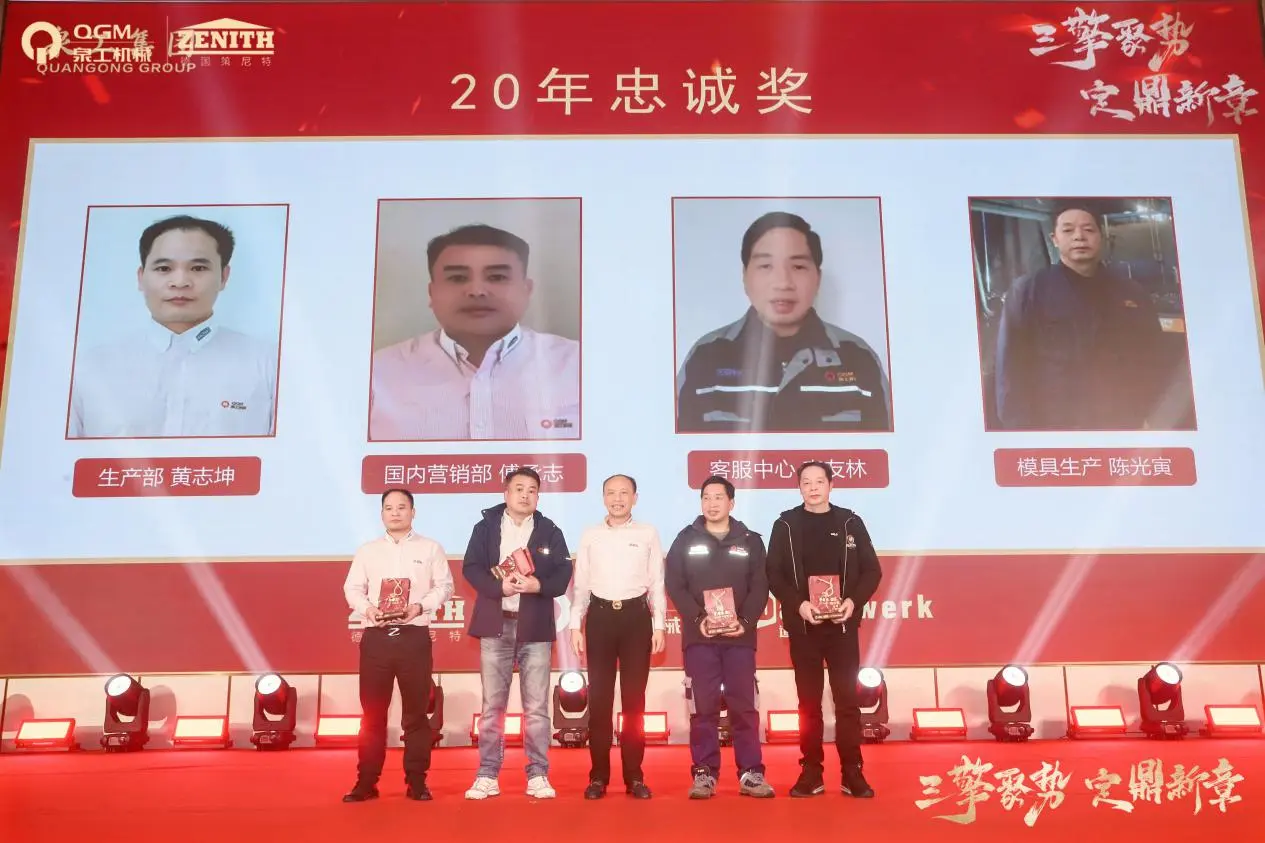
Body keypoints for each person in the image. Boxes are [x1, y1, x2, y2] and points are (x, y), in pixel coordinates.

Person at [676, 211, 890, 434]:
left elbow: (887, 449)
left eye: (798, 267)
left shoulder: (859, 358)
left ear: (818, 278)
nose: (783, 283)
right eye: (766, 266)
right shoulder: (706, 357)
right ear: (745, 277)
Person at [68, 214, 278, 438]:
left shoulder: (269, 365)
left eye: (198, 268)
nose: (180, 282)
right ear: (141, 277)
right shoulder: (89, 369)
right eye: (163, 268)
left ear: (224, 277)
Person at [369, 223, 580, 441]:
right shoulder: (376, 373)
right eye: (457, 278)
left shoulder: (581, 365)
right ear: (432, 293)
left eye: (497, 277)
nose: (477, 291)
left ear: (526, 290)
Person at [994, 202, 1171, 431]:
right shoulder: (1027, 292)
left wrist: (1156, 415)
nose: (1079, 237)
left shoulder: (1132, 293)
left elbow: (1155, 358)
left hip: (1122, 421)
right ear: (1054, 239)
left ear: (1101, 237)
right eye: (1068, 230)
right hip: (1055, 424)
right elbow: (1011, 366)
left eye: (1088, 229)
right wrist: (1022, 430)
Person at [766, 461, 882, 799]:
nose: (813, 487)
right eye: (806, 482)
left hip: (842, 627)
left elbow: (871, 571)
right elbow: (773, 573)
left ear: (831, 485)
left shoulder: (849, 522)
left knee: (847, 701)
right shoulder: (786, 524)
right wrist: (798, 604)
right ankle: (811, 771)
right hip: (804, 626)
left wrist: (852, 602)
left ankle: (852, 771)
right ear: (799, 487)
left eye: (819, 481)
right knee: (808, 703)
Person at [461, 467, 573, 800]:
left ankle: (538, 774)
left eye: (532, 490)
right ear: (506, 493)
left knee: (536, 708)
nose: (525, 495)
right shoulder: (485, 527)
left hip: (534, 627)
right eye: (519, 488)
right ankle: (487, 774)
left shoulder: (550, 530)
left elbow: (563, 572)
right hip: (496, 624)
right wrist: (499, 587)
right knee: (492, 707)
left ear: (538, 496)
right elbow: (471, 568)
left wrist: (538, 585)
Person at [664, 475, 776, 800]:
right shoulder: (685, 539)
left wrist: (745, 621)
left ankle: (751, 773)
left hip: (739, 638)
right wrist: (698, 619)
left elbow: (760, 585)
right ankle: (704, 773)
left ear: (731, 503)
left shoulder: (750, 541)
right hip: (700, 639)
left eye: (718, 497)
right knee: (703, 708)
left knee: (744, 707)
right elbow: (675, 585)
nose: (711, 504)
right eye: (706, 498)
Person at [341, 488, 455, 803]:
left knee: (416, 715)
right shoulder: (368, 551)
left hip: (413, 638)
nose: (395, 513)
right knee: (372, 715)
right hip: (376, 639)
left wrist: (420, 606)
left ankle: (416, 781)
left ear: (413, 512)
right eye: (389, 508)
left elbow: (445, 586)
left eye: (402, 507)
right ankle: (366, 782)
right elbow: (352, 588)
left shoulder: (430, 548)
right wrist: (368, 609)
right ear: (381, 514)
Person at [569, 474, 667, 800]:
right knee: (599, 702)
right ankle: (598, 777)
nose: (618, 498)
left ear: (635, 498)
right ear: (603, 498)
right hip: (599, 619)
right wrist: (575, 625)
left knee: (634, 702)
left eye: (624, 493)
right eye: (611, 493)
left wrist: (659, 625)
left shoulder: (647, 533)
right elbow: (581, 584)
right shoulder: (590, 535)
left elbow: (657, 583)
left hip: (636, 619)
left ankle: (634, 776)